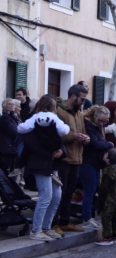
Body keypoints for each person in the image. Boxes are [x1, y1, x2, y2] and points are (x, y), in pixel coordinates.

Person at [18, 95, 69, 241]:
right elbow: (31, 147)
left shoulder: (50, 123)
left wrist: (61, 151)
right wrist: (52, 152)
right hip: (40, 164)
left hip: (51, 165)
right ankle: (36, 230)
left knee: (56, 197)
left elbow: (61, 142)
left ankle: (46, 227)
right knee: (46, 197)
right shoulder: (33, 125)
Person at [55, 83, 90, 233]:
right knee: (59, 193)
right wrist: (73, 136)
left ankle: (65, 222)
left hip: (77, 158)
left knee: (69, 193)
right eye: (82, 99)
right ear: (73, 97)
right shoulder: (59, 111)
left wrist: (86, 138)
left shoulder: (79, 114)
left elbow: (82, 131)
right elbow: (55, 135)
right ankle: (54, 223)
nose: (83, 102)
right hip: (63, 159)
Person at [80, 105, 114, 229]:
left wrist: (105, 144)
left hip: (95, 163)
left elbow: (100, 143)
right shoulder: (88, 126)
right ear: (95, 117)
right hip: (87, 162)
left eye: (106, 121)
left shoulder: (98, 127)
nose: (103, 123)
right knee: (89, 190)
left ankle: (90, 215)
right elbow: (95, 144)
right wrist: (109, 144)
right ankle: (87, 217)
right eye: (101, 120)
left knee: (93, 189)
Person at [96, 149, 116, 245]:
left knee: (106, 216)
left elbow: (104, 187)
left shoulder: (107, 170)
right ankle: (115, 235)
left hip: (109, 197)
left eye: (106, 154)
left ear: (108, 159)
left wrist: (100, 199)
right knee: (115, 216)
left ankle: (107, 237)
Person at [0, 98, 20, 173]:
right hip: (6, 150)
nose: (12, 105)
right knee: (7, 173)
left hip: (12, 149)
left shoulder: (13, 117)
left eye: (13, 104)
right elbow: (14, 131)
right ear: (4, 106)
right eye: (9, 104)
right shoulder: (4, 118)